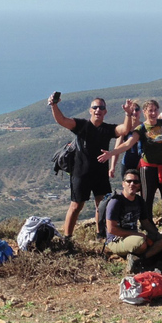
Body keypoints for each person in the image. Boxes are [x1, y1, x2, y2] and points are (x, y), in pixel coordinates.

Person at [98, 100, 162, 233]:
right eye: (150, 110)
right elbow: (128, 144)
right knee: (147, 199)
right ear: (145, 112)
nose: (153, 113)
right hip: (148, 169)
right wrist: (111, 153)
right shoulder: (141, 129)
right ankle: (148, 227)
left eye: (155, 110)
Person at [48, 93, 135, 238]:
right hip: (80, 174)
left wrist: (128, 114)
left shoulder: (107, 129)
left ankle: (100, 234)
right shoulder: (81, 125)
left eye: (101, 108)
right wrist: (54, 105)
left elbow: (124, 130)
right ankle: (67, 237)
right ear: (90, 110)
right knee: (76, 206)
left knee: (102, 205)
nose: (98, 110)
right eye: (95, 107)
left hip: (100, 174)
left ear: (105, 112)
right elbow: (62, 120)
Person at [108, 101, 142, 178]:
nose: (134, 112)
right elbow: (117, 149)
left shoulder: (145, 127)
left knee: (143, 188)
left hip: (142, 163)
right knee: (127, 187)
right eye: (132, 110)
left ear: (140, 111)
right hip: (127, 163)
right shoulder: (124, 129)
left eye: (136, 109)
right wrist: (112, 167)